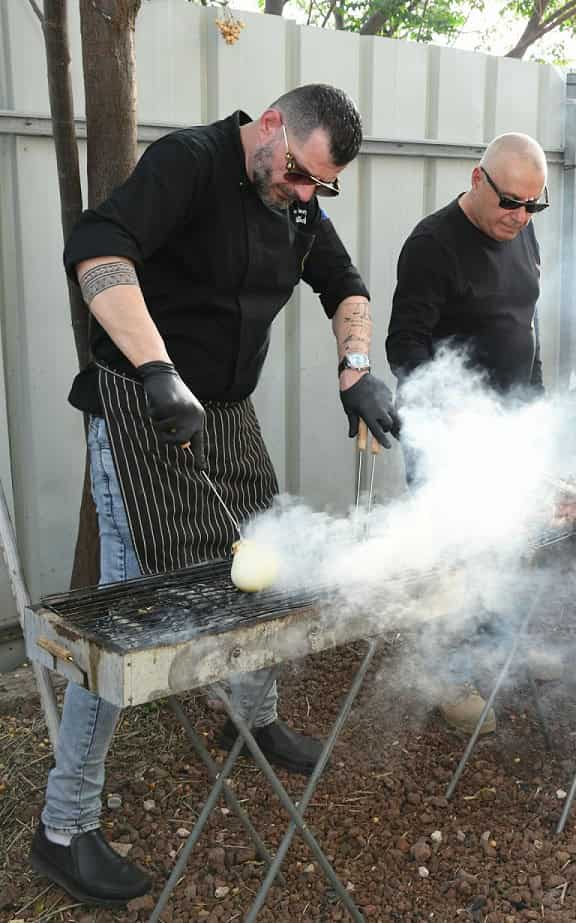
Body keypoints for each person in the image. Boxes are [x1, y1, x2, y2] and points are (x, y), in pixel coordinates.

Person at [31, 84, 401, 907]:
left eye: (320, 185)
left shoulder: (297, 199)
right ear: (270, 126)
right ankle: (64, 823)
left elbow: (345, 284)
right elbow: (97, 250)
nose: (304, 194)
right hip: (142, 406)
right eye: (299, 172)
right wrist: (157, 367)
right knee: (125, 618)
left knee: (264, 564)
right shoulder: (189, 163)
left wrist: (356, 370)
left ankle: (250, 718)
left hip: (228, 411)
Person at [387, 132, 557, 734]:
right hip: (447, 438)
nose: (521, 217)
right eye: (511, 202)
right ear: (477, 179)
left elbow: (525, 325)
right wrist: (452, 421)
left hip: (508, 428)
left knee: (507, 545)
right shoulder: (433, 245)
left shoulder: (521, 229)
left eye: (534, 205)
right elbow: (405, 345)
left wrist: (535, 408)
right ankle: (445, 674)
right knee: (450, 559)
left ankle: (503, 643)